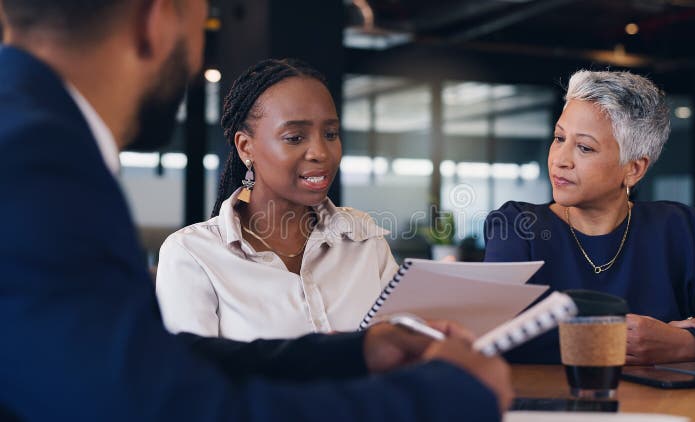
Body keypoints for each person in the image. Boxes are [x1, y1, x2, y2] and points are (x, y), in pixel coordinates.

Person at [0, 0, 513, 420]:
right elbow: (172, 407)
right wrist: (445, 397)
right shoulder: (37, 161)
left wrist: (352, 352)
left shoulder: (28, 141)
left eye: (330, 133)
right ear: (156, 19)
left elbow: (160, 362)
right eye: (202, 20)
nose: (196, 60)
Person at [484, 70, 695, 365]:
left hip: (653, 397)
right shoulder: (517, 226)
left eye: (584, 147)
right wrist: (618, 339)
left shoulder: (676, 229)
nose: (560, 159)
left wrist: (687, 346)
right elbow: (497, 339)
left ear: (633, 169)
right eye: (559, 138)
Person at [156, 59, 398, 340]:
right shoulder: (192, 254)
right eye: (295, 137)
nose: (321, 152)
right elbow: (190, 367)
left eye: (330, 134)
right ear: (246, 147)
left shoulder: (364, 240)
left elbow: (407, 344)